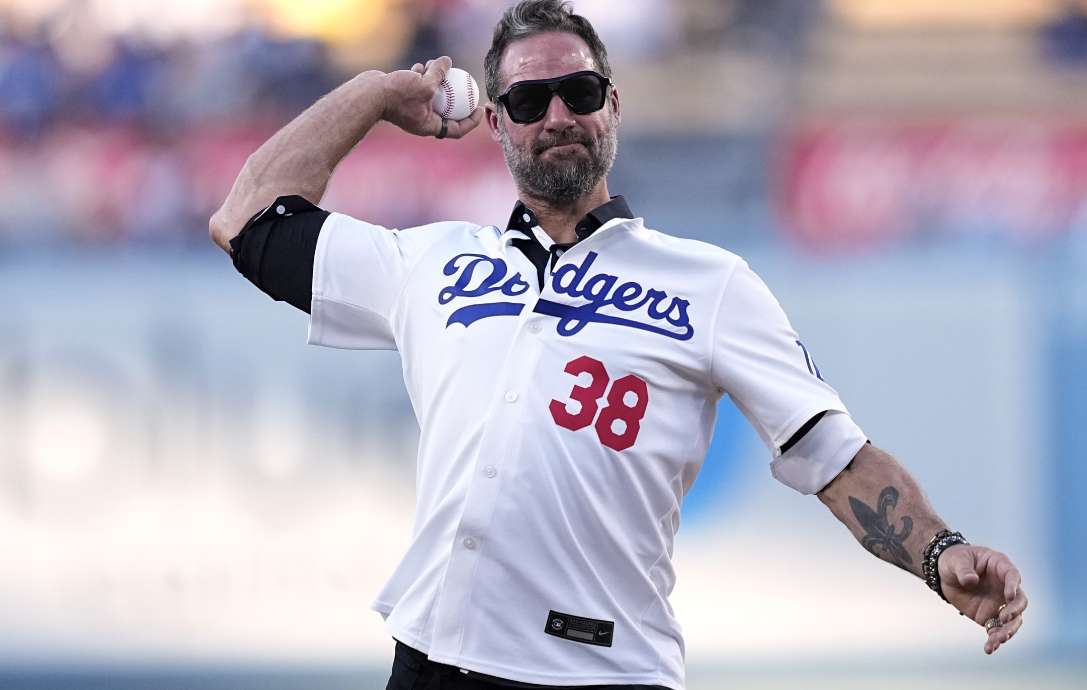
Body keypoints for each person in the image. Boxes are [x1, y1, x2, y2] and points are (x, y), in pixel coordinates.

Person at [207, 2, 1029, 688]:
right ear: (495, 123)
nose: (557, 116)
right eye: (529, 102)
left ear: (614, 104)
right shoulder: (432, 261)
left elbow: (835, 457)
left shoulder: (711, 284)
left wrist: (940, 552)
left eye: (580, 91)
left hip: (603, 673)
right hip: (432, 661)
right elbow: (246, 217)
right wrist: (376, 95)